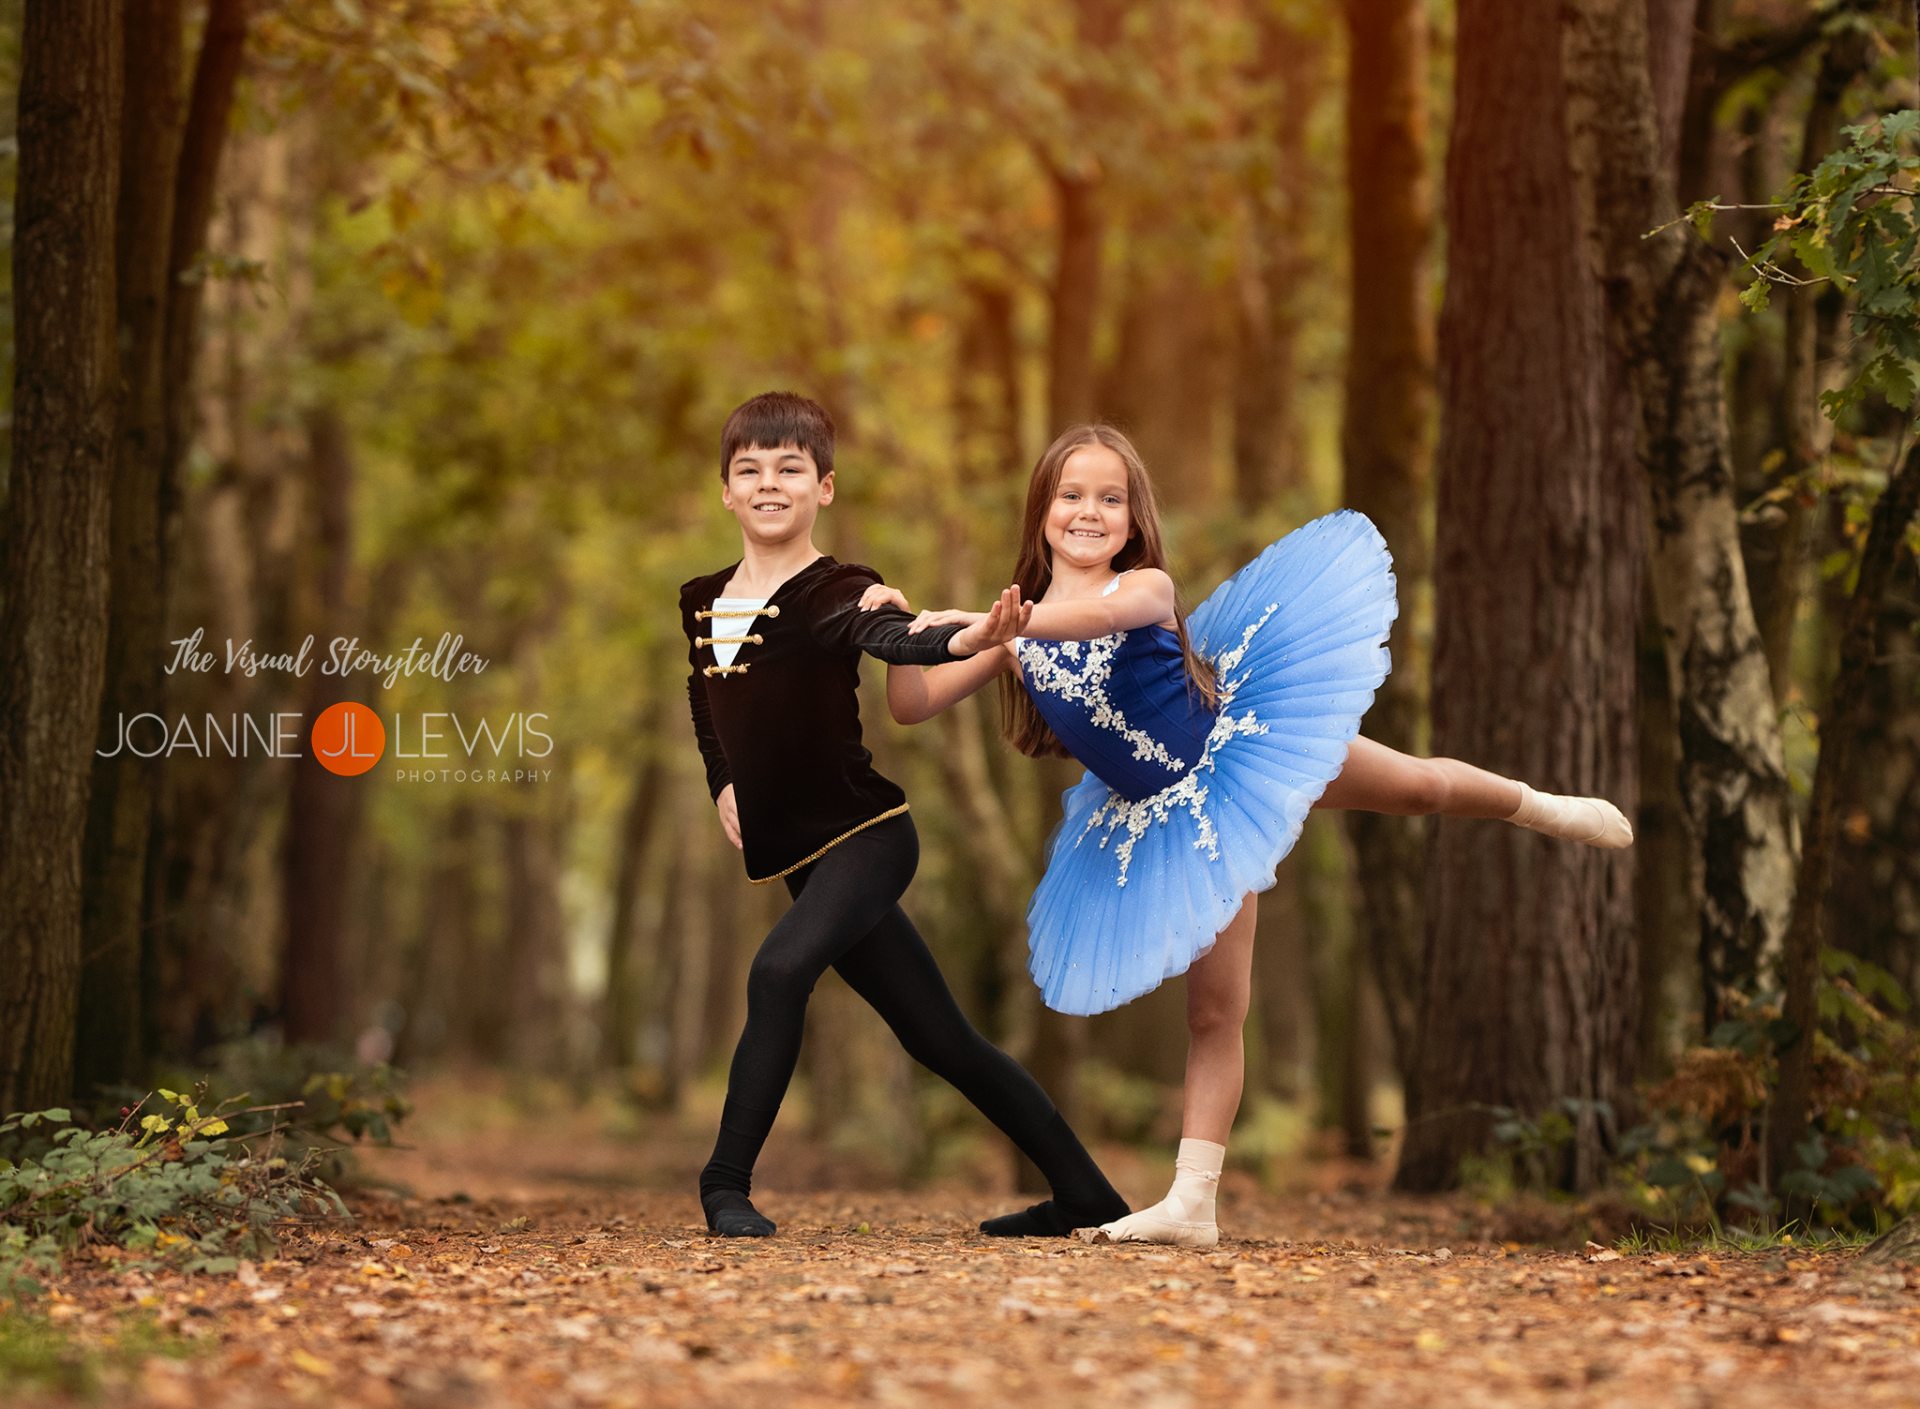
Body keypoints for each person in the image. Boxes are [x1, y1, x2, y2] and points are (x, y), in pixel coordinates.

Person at [868, 424, 1632, 1249]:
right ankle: (1193, 1201)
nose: (1089, 512)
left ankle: (1540, 805)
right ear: (1042, 511)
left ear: (1132, 520)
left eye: (1109, 498)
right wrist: (901, 634)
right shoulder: (1010, 638)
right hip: (1173, 825)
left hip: (1240, 751)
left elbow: (1106, 615)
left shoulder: (1142, 587)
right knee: (1215, 1011)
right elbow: (912, 705)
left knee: (1418, 785)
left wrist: (985, 624)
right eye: (1072, 495)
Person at [680, 392, 1130, 1240]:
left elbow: (890, 638)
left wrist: (966, 638)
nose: (769, 484)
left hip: (867, 840)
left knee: (778, 972)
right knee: (942, 1039)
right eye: (750, 471)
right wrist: (722, 782)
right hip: (802, 858)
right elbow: (706, 703)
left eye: (790, 469)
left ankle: (724, 1183)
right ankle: (1086, 1194)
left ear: (826, 488)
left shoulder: (839, 589)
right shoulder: (701, 600)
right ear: (727, 492)